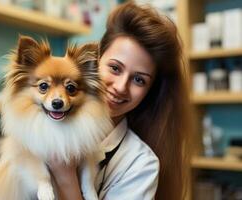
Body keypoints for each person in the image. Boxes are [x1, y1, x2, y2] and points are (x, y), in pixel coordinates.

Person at [49, 2, 192, 200]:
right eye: (115, 68)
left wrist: (65, 175)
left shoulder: (141, 163)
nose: (120, 87)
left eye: (139, 80)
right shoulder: (48, 117)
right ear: (95, 62)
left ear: (149, 91)